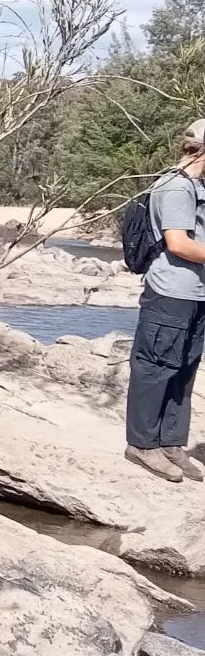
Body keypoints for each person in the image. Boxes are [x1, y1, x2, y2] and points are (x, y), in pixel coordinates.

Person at [126, 117, 205, 482]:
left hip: (194, 294)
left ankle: (171, 443)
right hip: (170, 293)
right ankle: (142, 445)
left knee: (184, 368)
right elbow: (178, 244)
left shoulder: (195, 185)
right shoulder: (175, 187)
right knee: (156, 366)